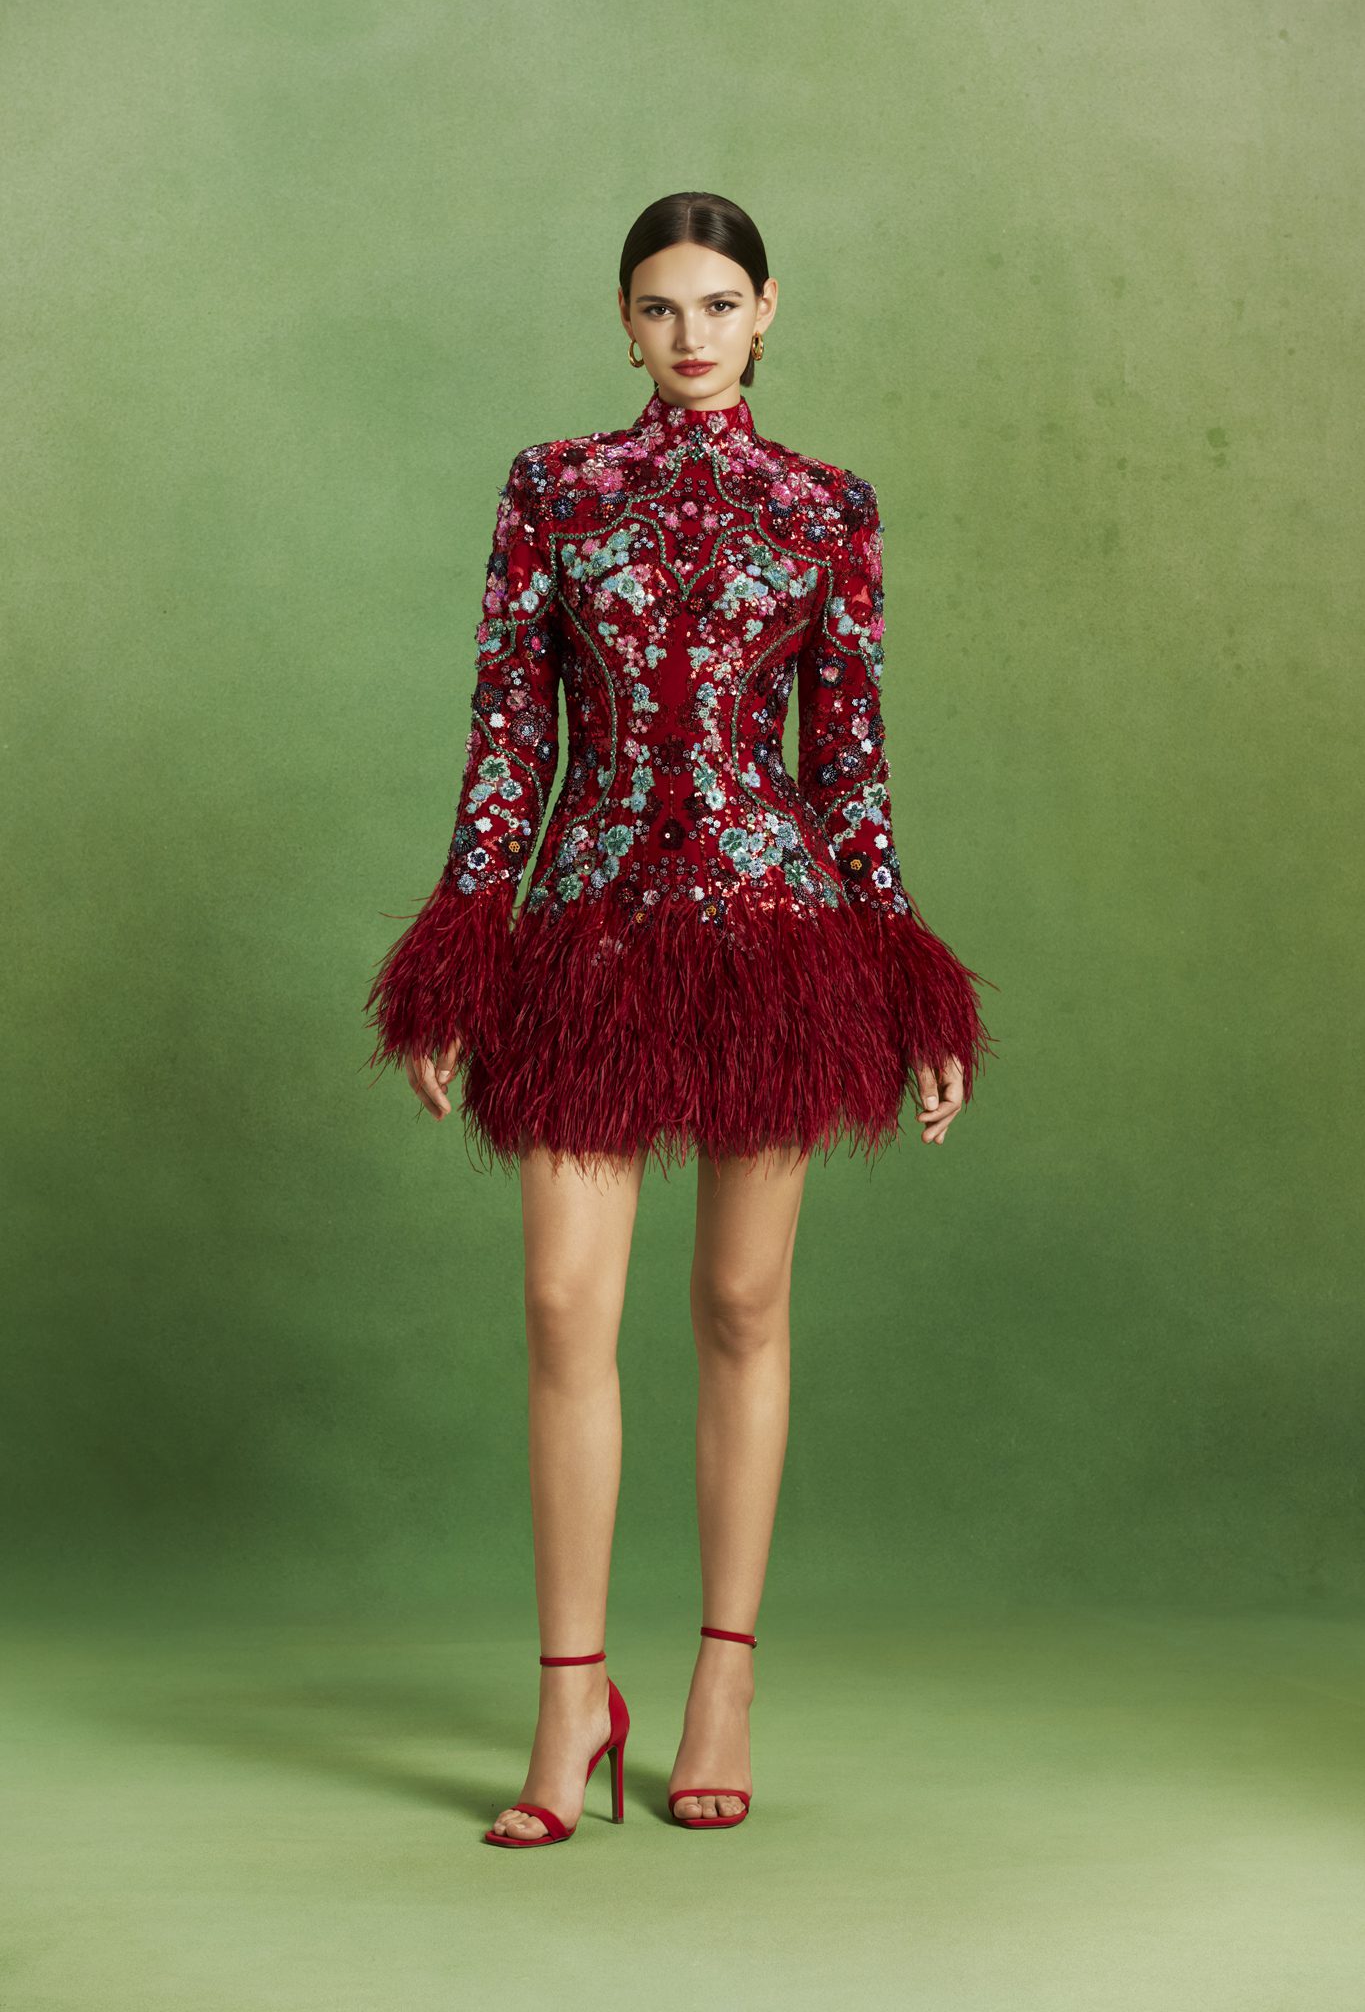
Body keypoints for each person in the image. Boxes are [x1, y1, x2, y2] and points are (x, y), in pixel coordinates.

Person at [363, 191, 997, 1847]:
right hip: (586, 931)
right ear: (623, 322)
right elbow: (511, 734)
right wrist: (458, 947)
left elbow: (844, 757)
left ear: (767, 310)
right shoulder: (553, 489)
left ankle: (723, 1679)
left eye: (719, 304)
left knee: (738, 1304)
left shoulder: (827, 506)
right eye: (659, 307)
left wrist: (905, 970)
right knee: (562, 1306)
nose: (691, 335)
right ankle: (572, 1696)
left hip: (773, 935)